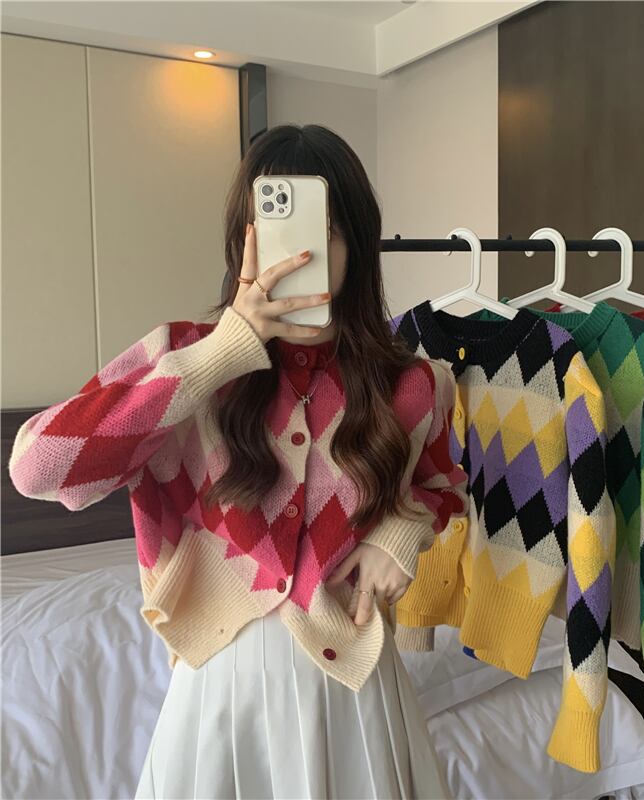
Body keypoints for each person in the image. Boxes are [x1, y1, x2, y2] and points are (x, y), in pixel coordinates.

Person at [7, 124, 468, 799]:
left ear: (359, 246)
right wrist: (221, 354)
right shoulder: (182, 359)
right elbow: (37, 466)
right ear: (242, 240)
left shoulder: (412, 383)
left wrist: (400, 535)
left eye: (328, 232)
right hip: (220, 689)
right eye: (278, 230)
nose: (302, 253)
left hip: (355, 687)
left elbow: (440, 486)